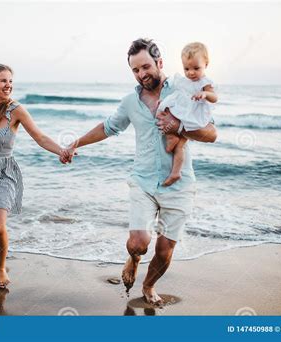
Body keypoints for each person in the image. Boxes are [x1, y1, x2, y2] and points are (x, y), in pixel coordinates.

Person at [62, 38, 217, 305]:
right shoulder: (130, 102)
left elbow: (211, 133)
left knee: (165, 250)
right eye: (135, 70)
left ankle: (148, 286)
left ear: (159, 63)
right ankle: (133, 260)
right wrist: (76, 143)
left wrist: (179, 126)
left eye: (146, 67)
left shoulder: (182, 89)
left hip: (179, 185)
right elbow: (108, 127)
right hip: (143, 182)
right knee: (138, 243)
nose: (142, 74)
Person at [0, 63, 70, 289]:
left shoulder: (16, 110)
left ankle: (2, 267)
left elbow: (40, 137)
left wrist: (61, 151)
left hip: (4, 173)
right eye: (3, 81)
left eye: (11, 81)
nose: (8, 85)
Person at [157, 42, 218, 186]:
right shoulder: (185, 81)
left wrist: (205, 94)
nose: (191, 73)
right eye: (187, 69)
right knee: (163, 110)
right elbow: (179, 95)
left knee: (180, 146)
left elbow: (215, 98)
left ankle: (175, 173)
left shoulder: (205, 82)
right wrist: (166, 101)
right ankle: (171, 137)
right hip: (185, 110)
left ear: (206, 64)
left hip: (195, 114)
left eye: (196, 68)